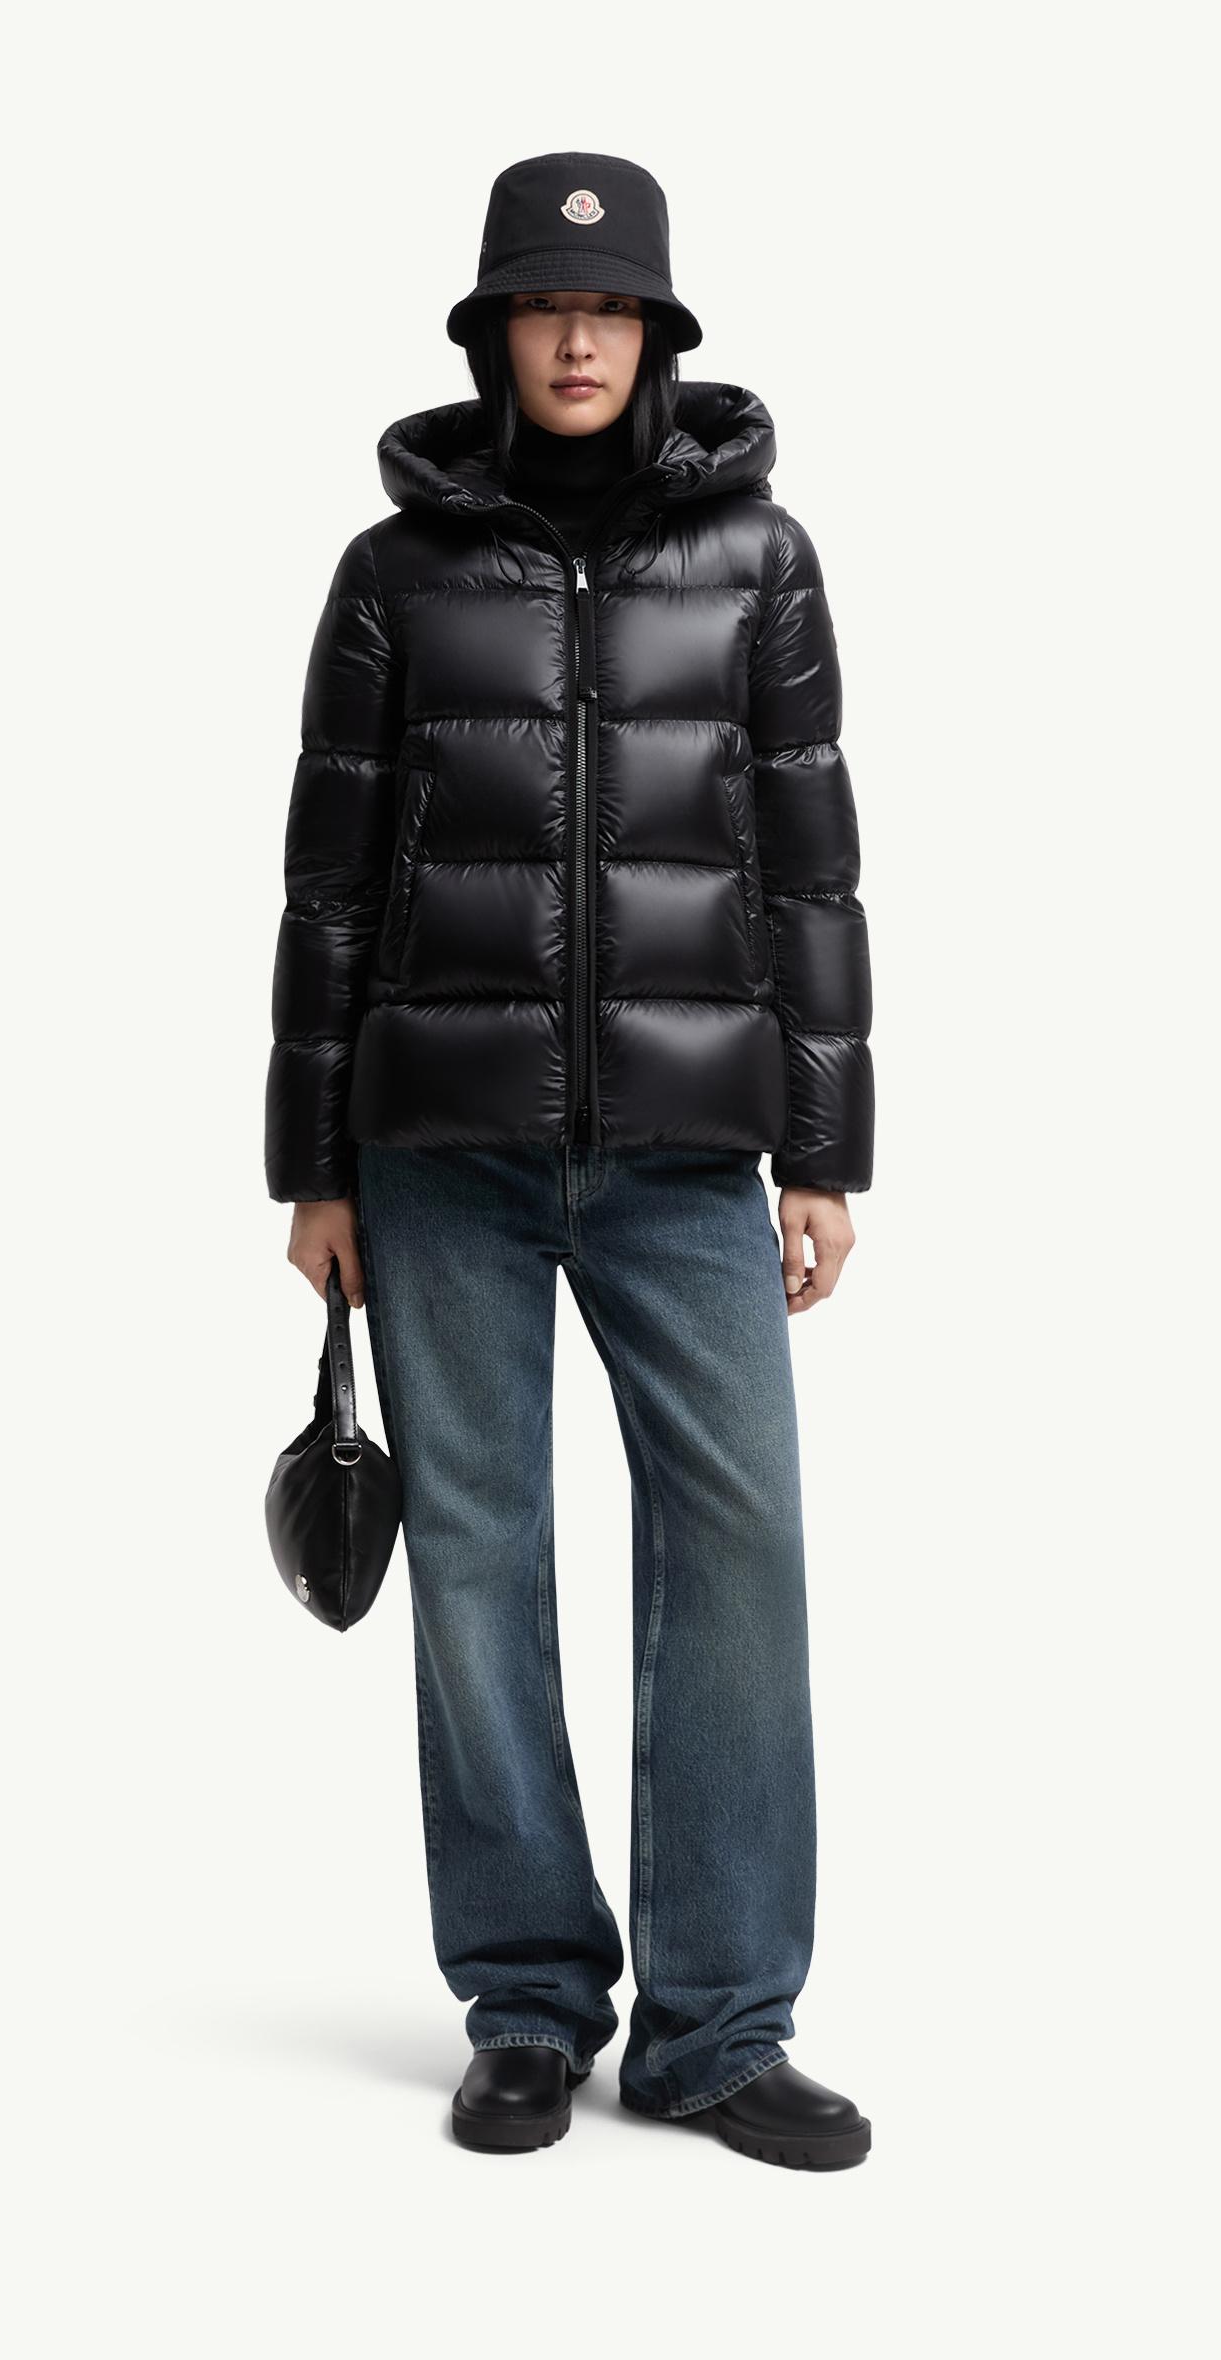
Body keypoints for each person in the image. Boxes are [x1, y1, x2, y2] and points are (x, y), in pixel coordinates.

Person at [265, 151, 875, 2169]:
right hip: (435, 1147)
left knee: (739, 1553)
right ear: (496, 336)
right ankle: (526, 1999)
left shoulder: (759, 559)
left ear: (659, 334)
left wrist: (823, 1151)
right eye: (547, 307)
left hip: (690, 1154)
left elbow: (810, 862)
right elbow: (328, 877)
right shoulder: (394, 573)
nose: (581, 338)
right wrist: (312, 1168)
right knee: (475, 1564)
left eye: (611, 310)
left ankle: (718, 2026)